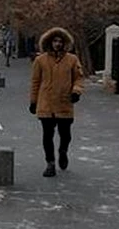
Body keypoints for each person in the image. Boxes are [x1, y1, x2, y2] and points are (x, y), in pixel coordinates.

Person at [29, 27, 84, 177]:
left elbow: (78, 78)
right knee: (47, 135)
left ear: (65, 43)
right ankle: (50, 163)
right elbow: (35, 81)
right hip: (46, 103)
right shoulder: (40, 60)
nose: (57, 44)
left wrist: (76, 91)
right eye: (55, 41)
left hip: (64, 102)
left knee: (65, 134)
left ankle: (63, 151)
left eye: (60, 41)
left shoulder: (72, 60)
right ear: (49, 42)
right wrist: (33, 101)